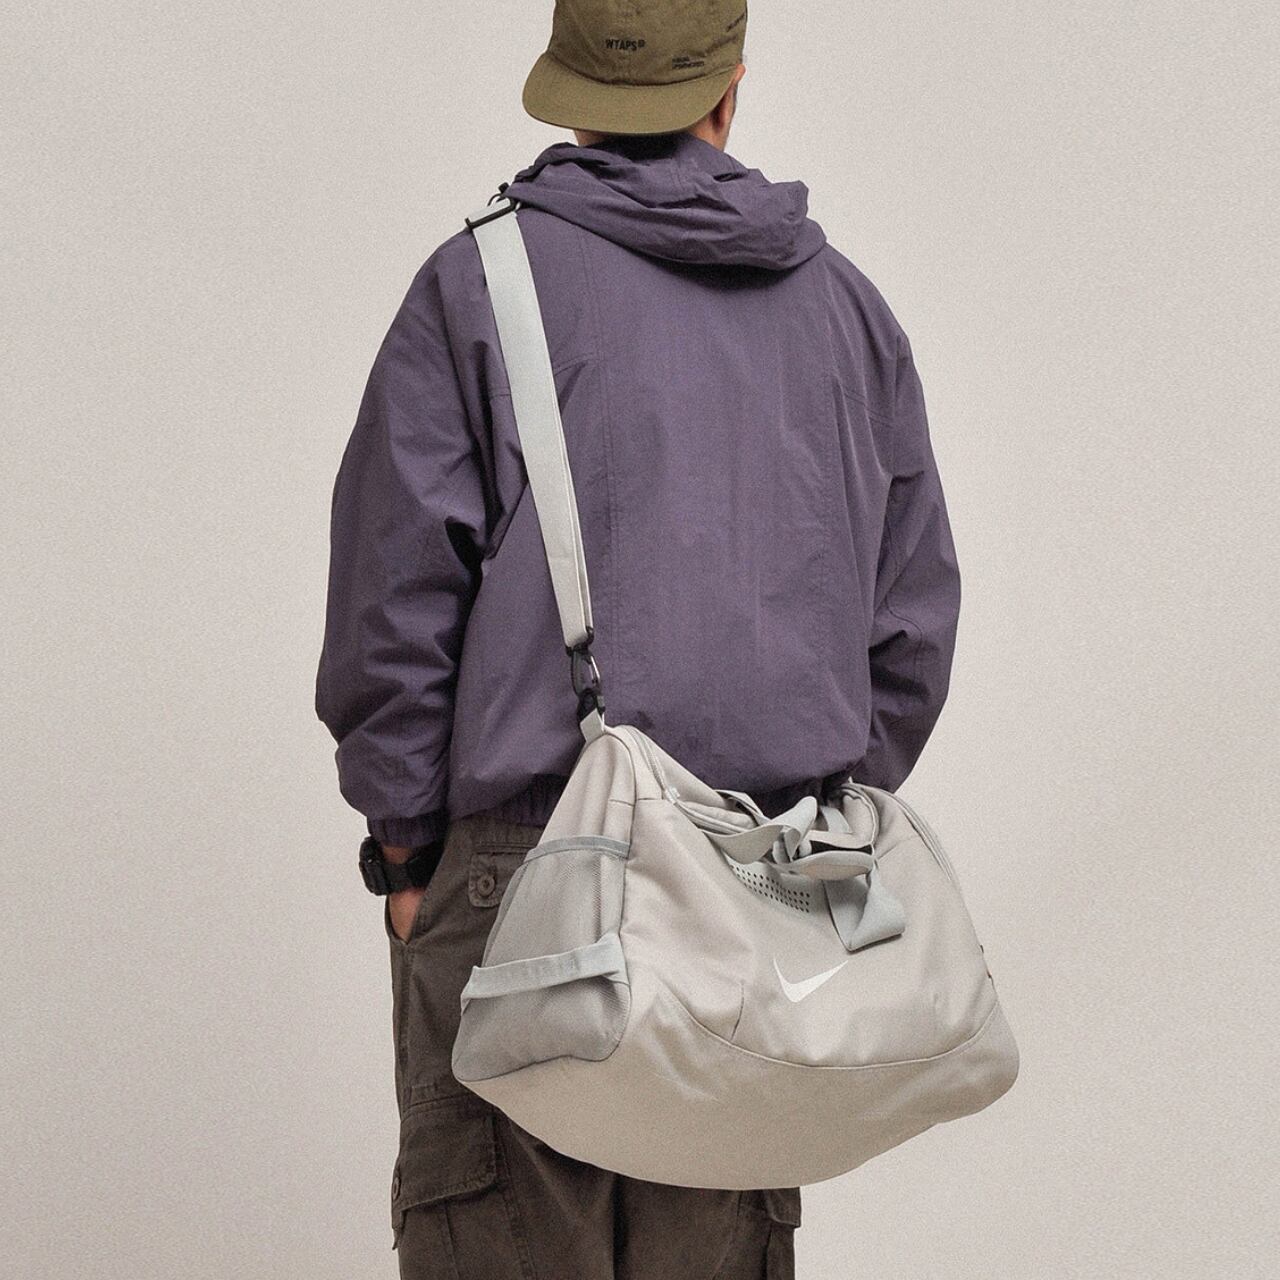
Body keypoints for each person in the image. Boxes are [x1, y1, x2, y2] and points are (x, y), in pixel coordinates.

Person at [315, 1, 961, 1274]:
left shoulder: (478, 286)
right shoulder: (848, 315)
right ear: (728, 91)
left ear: (569, 96)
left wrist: (407, 855)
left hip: (516, 878)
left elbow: (392, 606)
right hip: (758, 887)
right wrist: (783, 834)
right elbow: (907, 628)